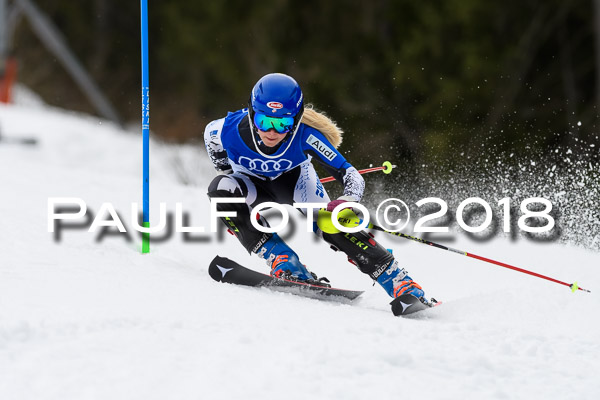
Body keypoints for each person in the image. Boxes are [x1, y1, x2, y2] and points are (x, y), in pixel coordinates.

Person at [204, 72, 429, 311]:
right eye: (264, 121)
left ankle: (402, 284)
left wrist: (347, 200)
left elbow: (350, 174)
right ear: (251, 113)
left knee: (333, 222)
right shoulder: (223, 130)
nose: (272, 131)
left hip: (296, 184)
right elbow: (215, 148)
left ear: (297, 119)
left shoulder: (307, 136)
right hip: (252, 186)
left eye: (283, 124)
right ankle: (284, 261)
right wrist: (232, 173)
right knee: (220, 189)